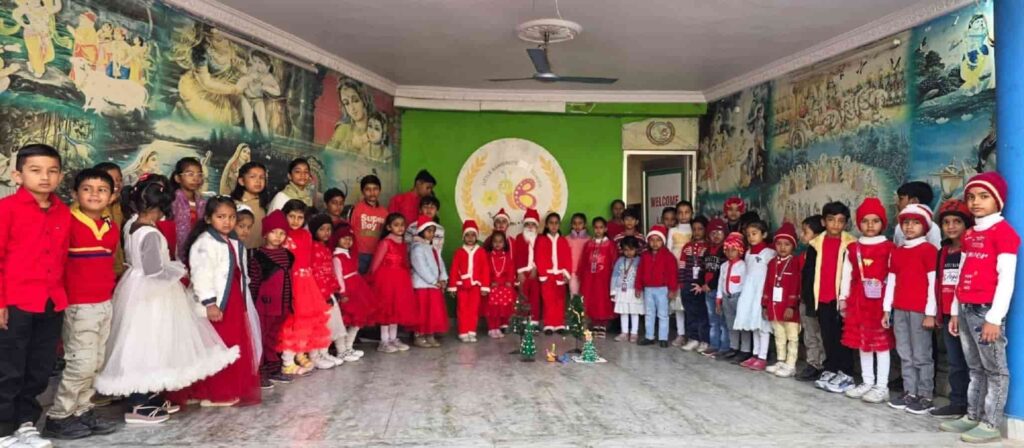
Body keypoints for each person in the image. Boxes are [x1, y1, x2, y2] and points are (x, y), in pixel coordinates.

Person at [94, 180, 238, 425]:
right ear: (159, 208)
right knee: (149, 345)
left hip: (136, 287)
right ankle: (139, 403)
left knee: (146, 344)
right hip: (152, 294)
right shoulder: (150, 233)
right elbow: (154, 271)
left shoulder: (131, 224)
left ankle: (149, 394)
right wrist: (178, 270)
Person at [0, 145, 71, 447]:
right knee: (8, 368)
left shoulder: (63, 212)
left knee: (39, 367)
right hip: (15, 301)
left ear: (60, 176)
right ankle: (3, 429)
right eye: (36, 170)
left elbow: (63, 259)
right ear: (17, 175)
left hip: (51, 301)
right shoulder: (6, 209)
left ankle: (25, 423)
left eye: (52, 171)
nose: (45, 177)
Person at [942, 172, 1019, 443]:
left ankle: (990, 423)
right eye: (972, 197)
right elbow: (962, 273)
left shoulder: (1005, 234)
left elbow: (1006, 279)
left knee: (994, 369)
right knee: (974, 366)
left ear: (998, 200)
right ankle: (972, 415)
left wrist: (994, 318)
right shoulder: (970, 233)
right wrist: (955, 311)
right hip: (965, 308)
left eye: (984, 196)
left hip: (986, 311)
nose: (976, 202)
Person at [43, 169, 120, 440]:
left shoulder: (110, 226)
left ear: (112, 196)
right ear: (75, 193)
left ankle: (82, 410)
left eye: (102, 190)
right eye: (87, 189)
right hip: (78, 306)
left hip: (103, 303)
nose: (95, 195)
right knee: (80, 363)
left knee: (96, 362)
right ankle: (59, 416)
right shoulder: (67, 222)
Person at [175, 197, 262, 407]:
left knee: (231, 343)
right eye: (221, 217)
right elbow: (201, 275)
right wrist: (210, 303)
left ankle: (216, 389)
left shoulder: (233, 241)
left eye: (231, 217)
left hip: (233, 299)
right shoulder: (205, 242)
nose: (227, 222)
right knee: (217, 346)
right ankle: (215, 392)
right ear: (208, 218)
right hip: (217, 302)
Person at [838, 198, 895, 404]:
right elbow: (846, 274)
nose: (870, 225)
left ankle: (882, 386)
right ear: (858, 223)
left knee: (881, 344)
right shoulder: (853, 248)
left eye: (875, 221)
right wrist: (843, 298)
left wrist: (889, 305)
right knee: (863, 342)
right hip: (858, 302)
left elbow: (893, 277)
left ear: (883, 223)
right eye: (865, 221)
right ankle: (867, 381)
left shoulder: (889, 247)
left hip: (880, 303)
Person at [884, 204, 938, 414]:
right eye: (906, 222)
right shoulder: (897, 252)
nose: (909, 226)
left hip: (920, 311)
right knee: (904, 352)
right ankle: (910, 392)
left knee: (922, 354)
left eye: (916, 223)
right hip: (899, 309)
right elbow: (891, 281)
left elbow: (932, 283)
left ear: (925, 227)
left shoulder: (929, 250)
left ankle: (925, 395)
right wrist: (886, 309)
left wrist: (930, 313)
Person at [803, 202, 857, 393]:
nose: (835, 224)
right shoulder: (815, 245)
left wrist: (849, 298)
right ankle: (831, 368)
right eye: (831, 220)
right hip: (822, 298)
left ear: (846, 223)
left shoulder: (851, 244)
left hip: (842, 300)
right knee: (827, 336)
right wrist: (809, 299)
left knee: (844, 337)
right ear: (823, 222)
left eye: (841, 221)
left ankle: (846, 372)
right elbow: (808, 273)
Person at [930, 199, 973, 419]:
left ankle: (974, 407)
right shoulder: (944, 252)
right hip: (948, 316)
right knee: (955, 362)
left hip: (970, 315)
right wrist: (938, 313)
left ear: (967, 224)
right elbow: (938, 283)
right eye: (946, 222)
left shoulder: (971, 250)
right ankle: (958, 402)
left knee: (972, 362)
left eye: (957, 221)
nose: (951, 226)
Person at [278, 201, 332, 373]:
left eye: (300, 217)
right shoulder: (282, 234)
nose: (295, 221)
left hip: (306, 282)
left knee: (306, 321)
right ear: (284, 216)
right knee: (291, 321)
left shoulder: (306, 235)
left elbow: (308, 260)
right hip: (290, 281)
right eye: (291, 216)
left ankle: (300, 353)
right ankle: (287, 361)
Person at [248, 211, 299, 384]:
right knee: (261, 337)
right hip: (264, 307)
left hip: (283, 306)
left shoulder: (288, 256)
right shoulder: (258, 257)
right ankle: (260, 372)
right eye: (273, 232)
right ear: (265, 234)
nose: (278, 236)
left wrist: (291, 302)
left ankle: (273, 369)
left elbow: (290, 280)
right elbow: (254, 283)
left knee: (274, 337)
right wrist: (252, 306)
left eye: (282, 233)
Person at [370, 213, 416, 353]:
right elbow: (375, 264)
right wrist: (373, 281)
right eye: (396, 225)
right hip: (386, 281)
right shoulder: (386, 242)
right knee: (386, 310)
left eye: (402, 225)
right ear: (389, 227)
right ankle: (384, 341)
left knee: (396, 309)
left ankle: (393, 338)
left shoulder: (403, 243)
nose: (400, 228)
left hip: (400, 281)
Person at [733, 220, 776, 370]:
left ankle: (762, 357)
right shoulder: (748, 253)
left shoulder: (769, 253)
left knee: (763, 326)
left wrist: (767, 295)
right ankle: (755, 354)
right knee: (753, 324)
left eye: (754, 234)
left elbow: (771, 275)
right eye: (748, 235)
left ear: (764, 234)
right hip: (750, 292)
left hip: (762, 292)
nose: (751, 237)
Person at [761, 222, 802, 378]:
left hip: (789, 309)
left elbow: (796, 286)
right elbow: (767, 285)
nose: (782, 247)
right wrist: (765, 305)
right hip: (774, 307)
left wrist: (791, 306)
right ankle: (781, 360)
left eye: (787, 244)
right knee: (779, 336)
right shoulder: (772, 263)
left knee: (792, 337)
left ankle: (791, 364)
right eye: (779, 244)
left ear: (793, 246)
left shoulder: (795, 262)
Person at [308, 214, 346, 369]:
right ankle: (315, 356)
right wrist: (323, 295)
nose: (326, 232)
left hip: (328, 291)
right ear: (314, 230)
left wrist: (334, 289)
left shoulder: (326, 248)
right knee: (318, 326)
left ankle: (324, 353)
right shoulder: (312, 248)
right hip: (317, 293)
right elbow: (315, 273)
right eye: (322, 229)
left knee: (329, 324)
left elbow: (329, 271)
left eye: (329, 229)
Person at [329, 224, 371, 360]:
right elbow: (338, 276)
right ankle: (341, 350)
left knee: (357, 321)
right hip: (347, 292)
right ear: (337, 239)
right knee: (342, 322)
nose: (347, 241)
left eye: (350, 238)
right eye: (344, 238)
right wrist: (342, 293)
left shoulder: (349, 254)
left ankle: (349, 347)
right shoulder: (336, 257)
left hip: (357, 290)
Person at [795, 215, 828, 381]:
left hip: (818, 301)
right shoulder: (808, 251)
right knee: (809, 334)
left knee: (819, 334)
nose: (802, 235)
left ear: (817, 234)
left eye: (805, 231)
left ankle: (821, 364)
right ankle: (813, 363)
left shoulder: (822, 252)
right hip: (807, 299)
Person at [410, 215, 449, 348]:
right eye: (429, 231)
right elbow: (420, 266)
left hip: (433, 286)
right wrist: (433, 280)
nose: (432, 234)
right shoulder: (417, 248)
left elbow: (440, 264)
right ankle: (419, 335)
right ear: (421, 231)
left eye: (433, 231)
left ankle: (429, 335)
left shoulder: (432, 248)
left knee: (432, 313)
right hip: (422, 286)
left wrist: (443, 278)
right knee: (422, 312)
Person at [636, 225, 678, 347]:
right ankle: (649, 336)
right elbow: (640, 272)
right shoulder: (645, 256)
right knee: (649, 313)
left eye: (658, 240)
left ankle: (663, 338)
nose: (655, 243)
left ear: (663, 241)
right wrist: (638, 287)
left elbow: (673, 274)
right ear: (648, 241)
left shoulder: (668, 256)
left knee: (663, 314)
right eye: (652, 240)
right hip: (648, 289)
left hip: (662, 289)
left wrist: (672, 289)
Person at [449, 220, 490, 342]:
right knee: (462, 309)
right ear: (463, 237)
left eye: (473, 235)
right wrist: (453, 286)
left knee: (473, 309)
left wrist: (484, 286)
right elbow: (454, 269)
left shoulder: (481, 252)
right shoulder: (459, 252)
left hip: (475, 286)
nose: (470, 238)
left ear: (476, 236)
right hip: (462, 286)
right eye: (467, 235)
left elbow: (485, 270)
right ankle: (463, 331)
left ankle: (471, 331)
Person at [578, 217, 617, 338]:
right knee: (592, 299)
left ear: (605, 229)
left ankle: (603, 325)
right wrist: (581, 275)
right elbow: (583, 261)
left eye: (601, 227)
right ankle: (595, 324)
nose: (598, 230)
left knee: (603, 300)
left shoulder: (610, 245)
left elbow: (614, 261)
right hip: (590, 278)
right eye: (596, 227)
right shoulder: (589, 244)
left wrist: (614, 278)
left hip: (604, 278)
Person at [535, 213, 571, 334]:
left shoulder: (563, 241)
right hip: (547, 275)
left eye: (556, 223)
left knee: (560, 300)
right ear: (546, 225)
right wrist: (543, 274)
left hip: (560, 274)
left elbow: (567, 258)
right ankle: (549, 324)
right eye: (551, 223)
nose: (554, 225)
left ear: (559, 225)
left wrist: (566, 273)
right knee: (548, 300)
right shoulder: (542, 240)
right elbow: (539, 257)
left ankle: (559, 324)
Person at [678, 216, 709, 352]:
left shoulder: (708, 247)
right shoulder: (687, 247)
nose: (697, 232)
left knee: (702, 314)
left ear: (705, 230)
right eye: (694, 229)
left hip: (701, 286)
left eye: (700, 229)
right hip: (687, 284)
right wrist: (682, 283)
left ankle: (704, 340)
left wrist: (703, 284)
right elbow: (682, 265)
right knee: (690, 313)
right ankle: (693, 338)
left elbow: (708, 269)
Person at [170, 157, 207, 260]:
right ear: (177, 178)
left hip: (198, 251)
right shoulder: (173, 201)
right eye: (190, 174)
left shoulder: (202, 202)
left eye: (199, 175)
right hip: (176, 253)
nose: (196, 179)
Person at [716, 232, 746, 360]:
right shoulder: (724, 266)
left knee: (742, 325)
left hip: (738, 298)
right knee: (730, 324)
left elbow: (745, 284)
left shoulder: (743, 266)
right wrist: (719, 299)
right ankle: (734, 347)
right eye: (727, 250)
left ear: (740, 250)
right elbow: (720, 283)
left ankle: (745, 349)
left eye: (733, 250)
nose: (730, 253)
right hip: (726, 297)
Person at [701, 218, 728, 357]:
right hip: (708, 291)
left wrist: (709, 285)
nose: (716, 235)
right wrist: (701, 283)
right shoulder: (707, 251)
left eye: (719, 232)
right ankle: (714, 345)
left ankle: (724, 347)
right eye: (713, 233)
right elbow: (702, 269)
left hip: (719, 291)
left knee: (722, 321)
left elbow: (720, 273)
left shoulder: (725, 251)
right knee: (712, 320)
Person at [94, 162, 126, 277]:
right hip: (96, 274)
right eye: (112, 179)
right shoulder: (87, 208)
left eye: (119, 179)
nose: (117, 183)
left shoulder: (117, 206)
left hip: (116, 271)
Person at [230, 162, 270, 249]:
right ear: (241, 181)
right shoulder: (234, 205)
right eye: (252, 177)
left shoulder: (264, 204)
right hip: (239, 251)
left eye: (262, 177)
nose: (258, 181)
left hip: (260, 251)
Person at [352, 175, 387, 274]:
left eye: (375, 189)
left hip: (378, 254)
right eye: (368, 189)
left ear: (380, 190)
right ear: (362, 191)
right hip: (359, 254)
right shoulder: (356, 209)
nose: (372, 193)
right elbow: (350, 231)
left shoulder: (385, 212)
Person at [483, 231, 515, 338]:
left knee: (500, 309)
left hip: (503, 287)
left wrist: (509, 281)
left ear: (504, 243)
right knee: (492, 310)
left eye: (500, 241)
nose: (498, 244)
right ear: (491, 243)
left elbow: (511, 270)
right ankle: (491, 328)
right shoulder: (488, 256)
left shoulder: (507, 256)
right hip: (492, 287)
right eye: (495, 241)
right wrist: (490, 282)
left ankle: (498, 327)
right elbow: (485, 271)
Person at [611, 237, 643, 342]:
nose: (628, 252)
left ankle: (634, 332)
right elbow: (615, 275)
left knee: (634, 312)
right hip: (621, 290)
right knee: (623, 312)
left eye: (631, 249)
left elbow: (642, 276)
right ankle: (624, 332)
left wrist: (640, 289)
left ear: (636, 249)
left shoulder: (639, 260)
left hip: (634, 291)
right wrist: (613, 290)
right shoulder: (620, 261)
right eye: (625, 250)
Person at [513, 209, 542, 326]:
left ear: (536, 226)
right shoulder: (519, 238)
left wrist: (536, 268)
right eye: (527, 224)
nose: (530, 227)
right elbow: (516, 255)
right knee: (523, 295)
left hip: (535, 272)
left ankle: (534, 320)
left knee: (535, 296)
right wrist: (519, 272)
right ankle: (524, 319)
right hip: (522, 272)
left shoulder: (540, 239)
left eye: (533, 224)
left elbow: (542, 255)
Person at [893, 181, 941, 248]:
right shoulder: (899, 227)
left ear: (914, 201)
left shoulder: (933, 228)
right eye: (906, 222)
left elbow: (936, 252)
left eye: (901, 199)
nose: (897, 203)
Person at [566, 213, 589, 297]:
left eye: (580, 223)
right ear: (571, 225)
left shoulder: (589, 240)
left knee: (585, 296)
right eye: (574, 223)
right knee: (574, 295)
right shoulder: (567, 239)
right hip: (572, 273)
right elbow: (564, 257)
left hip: (585, 272)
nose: (577, 226)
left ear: (584, 224)